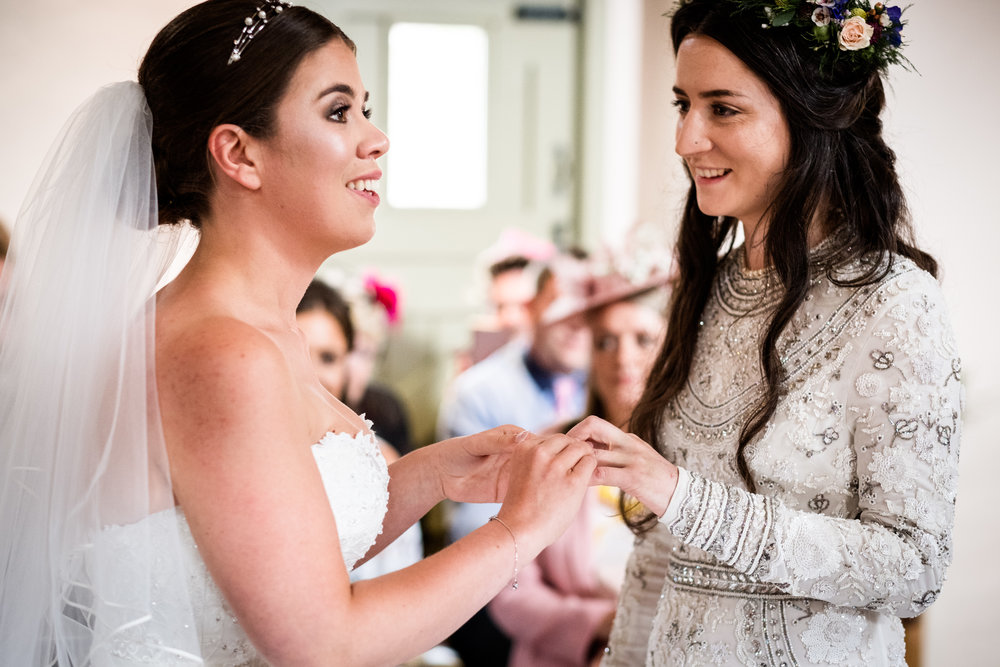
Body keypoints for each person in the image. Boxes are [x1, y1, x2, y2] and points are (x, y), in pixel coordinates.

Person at [0, 2, 597, 665]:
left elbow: (273, 550)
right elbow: (323, 643)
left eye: (364, 108)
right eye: (340, 112)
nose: (377, 139)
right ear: (238, 154)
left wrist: (431, 473)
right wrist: (521, 529)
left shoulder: (255, 329)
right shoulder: (222, 353)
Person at [568, 1, 963, 665]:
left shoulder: (897, 304)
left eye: (722, 108)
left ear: (809, 118)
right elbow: (656, 557)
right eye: (682, 104)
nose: (686, 138)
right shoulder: (707, 290)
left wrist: (688, 499)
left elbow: (915, 567)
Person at [489, 261, 673, 667]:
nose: (622, 357)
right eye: (606, 342)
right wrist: (597, 628)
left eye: (642, 339)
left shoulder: (693, 461)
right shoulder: (550, 447)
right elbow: (508, 584)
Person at [437, 250, 592, 666]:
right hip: (500, 588)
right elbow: (474, 529)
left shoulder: (615, 385)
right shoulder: (480, 393)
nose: (580, 321)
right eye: (564, 303)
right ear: (531, 308)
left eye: (590, 306)